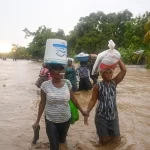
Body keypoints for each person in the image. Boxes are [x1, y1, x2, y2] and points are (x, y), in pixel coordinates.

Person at [32, 64, 87, 150]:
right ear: (50, 72)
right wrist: (37, 121)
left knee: (62, 141)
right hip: (51, 120)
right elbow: (42, 103)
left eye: (61, 69)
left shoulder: (67, 83)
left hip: (65, 119)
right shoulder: (45, 85)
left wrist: (82, 111)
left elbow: (73, 99)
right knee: (54, 146)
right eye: (56, 69)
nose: (59, 72)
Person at [84, 59, 126, 146]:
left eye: (111, 73)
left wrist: (118, 59)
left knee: (116, 140)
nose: (110, 75)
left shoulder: (114, 82)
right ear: (102, 74)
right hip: (101, 116)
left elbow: (124, 70)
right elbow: (92, 100)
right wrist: (87, 112)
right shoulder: (97, 86)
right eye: (107, 73)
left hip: (113, 115)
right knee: (104, 141)